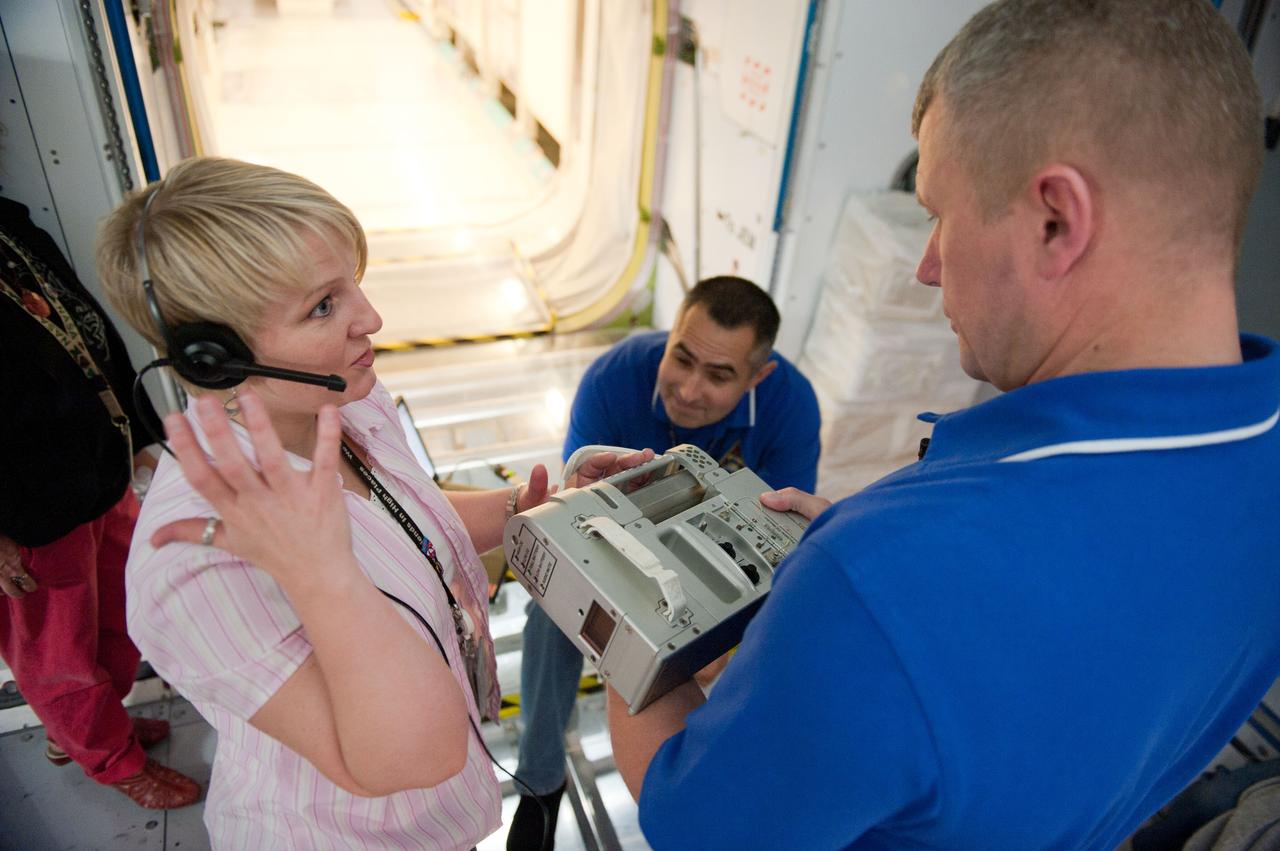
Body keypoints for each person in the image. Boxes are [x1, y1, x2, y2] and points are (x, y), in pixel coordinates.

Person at [606, 1, 1280, 849]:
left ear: (1055, 221)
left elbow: (695, 825)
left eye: (937, 213)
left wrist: (612, 608)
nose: (925, 267)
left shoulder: (886, 582)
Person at [95, 156, 650, 849]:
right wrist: (318, 571)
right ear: (214, 357)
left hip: (438, 814)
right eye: (324, 305)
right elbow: (416, 756)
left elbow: (403, 516)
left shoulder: (340, 397)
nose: (373, 319)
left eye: (353, 285)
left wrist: (533, 506)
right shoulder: (192, 565)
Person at [508, 276, 820, 849]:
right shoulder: (612, 379)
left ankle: (710, 781)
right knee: (547, 616)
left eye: (720, 375)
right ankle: (540, 778)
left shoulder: (792, 409)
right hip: (615, 537)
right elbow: (575, 516)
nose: (689, 389)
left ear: (759, 377)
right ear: (671, 333)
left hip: (718, 556)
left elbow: (779, 541)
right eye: (682, 357)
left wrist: (721, 648)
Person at [0, 195, 201, 809]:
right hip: (25, 508)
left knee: (124, 615)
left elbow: (86, 333)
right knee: (59, 656)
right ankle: (111, 762)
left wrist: (139, 434)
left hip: (95, 469)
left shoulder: (10, 224)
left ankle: (87, 733)